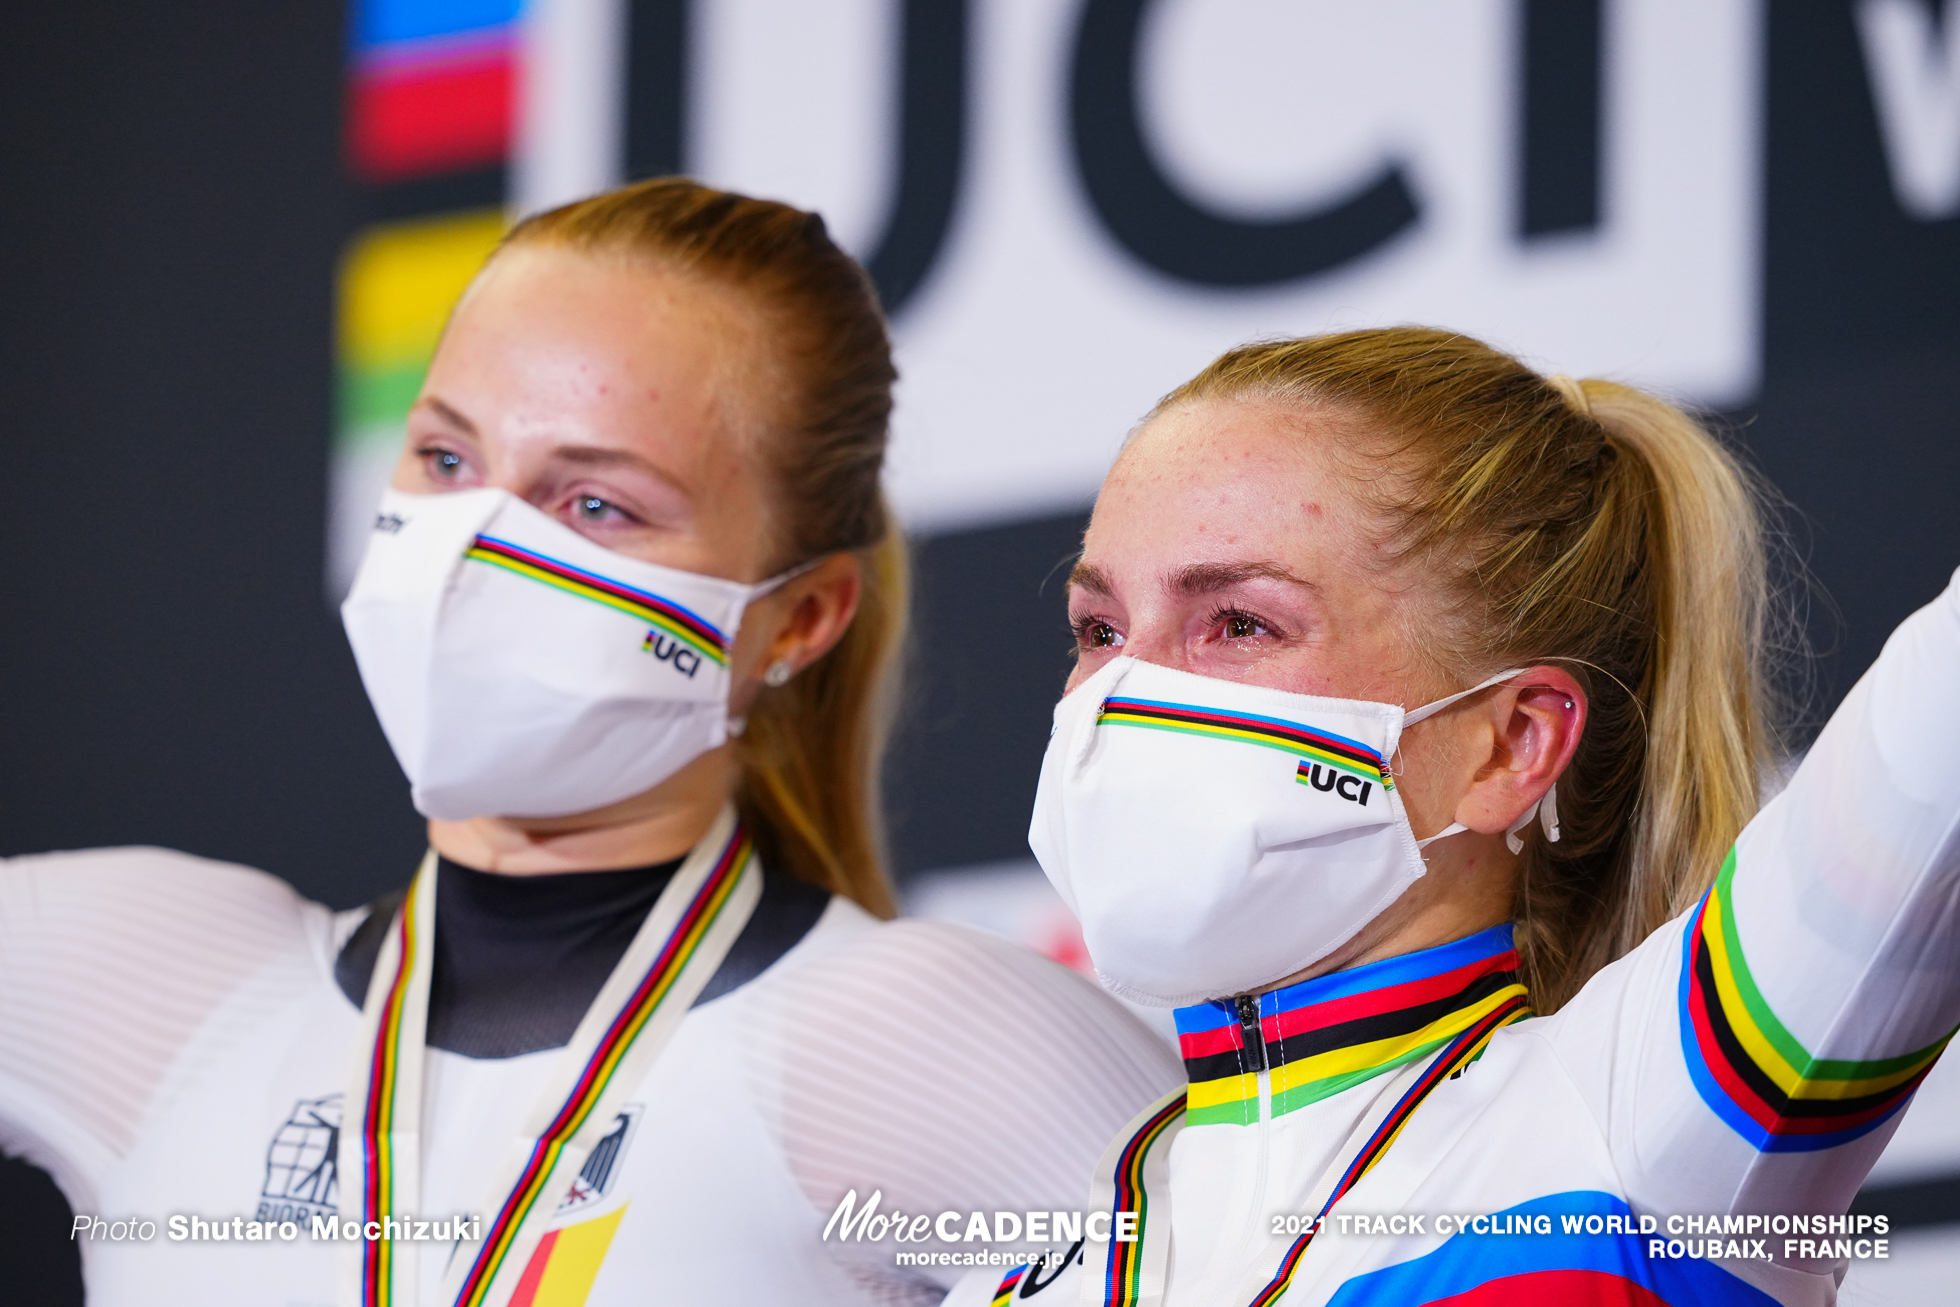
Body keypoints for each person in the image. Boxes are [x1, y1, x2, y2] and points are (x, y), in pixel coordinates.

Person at [0, 179, 1180, 1306]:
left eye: (596, 505)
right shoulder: (148, 978)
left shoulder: (923, 1043)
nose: (472, 548)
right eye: (448, 459)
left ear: (800, 617)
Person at [946, 327, 1960, 1306]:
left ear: (1511, 742)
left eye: (1239, 621)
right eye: (1100, 627)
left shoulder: (1638, 1131)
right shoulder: (1016, 1282)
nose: (1121, 696)